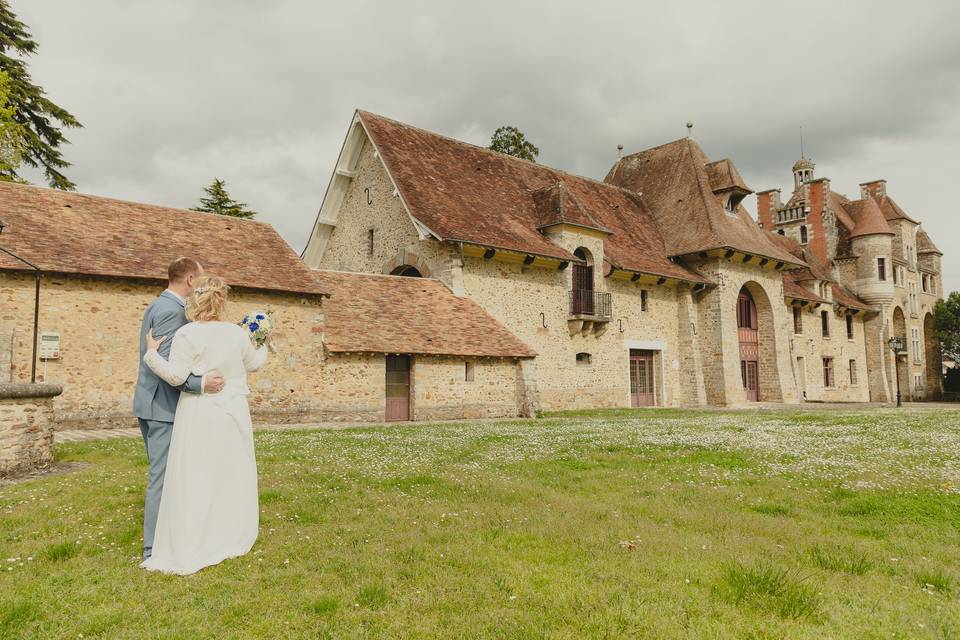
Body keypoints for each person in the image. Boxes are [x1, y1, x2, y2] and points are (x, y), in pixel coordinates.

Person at [140, 275, 268, 575]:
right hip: (232, 412)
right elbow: (254, 364)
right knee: (230, 472)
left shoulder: (187, 334)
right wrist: (264, 344)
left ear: (195, 299)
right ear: (222, 301)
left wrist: (151, 354)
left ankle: (194, 536)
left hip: (199, 413)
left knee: (197, 474)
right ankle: (227, 532)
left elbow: (175, 376)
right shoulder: (236, 334)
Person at [134, 257, 225, 560]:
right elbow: (172, 368)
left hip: (149, 402)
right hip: (163, 406)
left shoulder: (156, 306)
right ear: (189, 281)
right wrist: (200, 385)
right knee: (162, 476)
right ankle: (152, 550)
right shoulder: (173, 312)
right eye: (198, 280)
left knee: (168, 474)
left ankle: (172, 535)